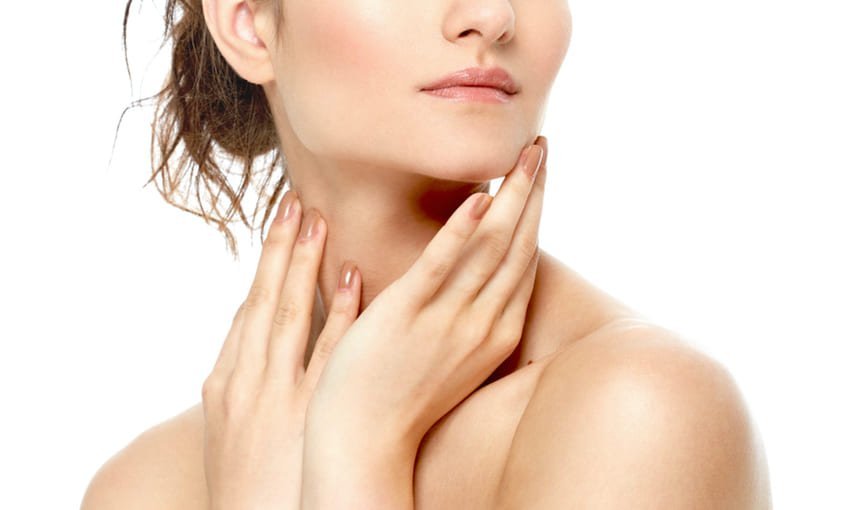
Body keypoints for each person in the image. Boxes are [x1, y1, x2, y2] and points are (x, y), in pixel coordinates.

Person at [82, 0, 772, 508]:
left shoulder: (643, 412)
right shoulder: (146, 489)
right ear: (248, 23)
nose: (492, 16)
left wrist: (357, 453)